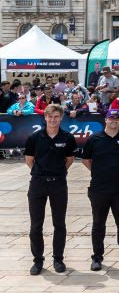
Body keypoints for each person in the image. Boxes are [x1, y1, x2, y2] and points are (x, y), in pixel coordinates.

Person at [82, 109, 119, 271]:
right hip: (99, 189)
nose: (114, 120)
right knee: (98, 224)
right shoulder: (94, 139)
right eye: (111, 118)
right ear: (105, 120)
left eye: (117, 118)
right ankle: (97, 257)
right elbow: (86, 160)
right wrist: (99, 172)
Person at [24, 104, 76, 275]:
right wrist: (41, 173)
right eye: (50, 117)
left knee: (59, 223)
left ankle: (58, 259)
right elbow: (29, 160)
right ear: (44, 118)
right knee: (35, 225)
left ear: (61, 118)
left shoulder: (67, 137)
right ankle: (38, 260)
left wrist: (58, 172)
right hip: (38, 184)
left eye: (56, 117)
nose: (53, 120)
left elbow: (69, 160)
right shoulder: (35, 137)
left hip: (58, 184)